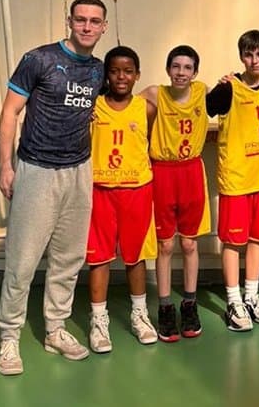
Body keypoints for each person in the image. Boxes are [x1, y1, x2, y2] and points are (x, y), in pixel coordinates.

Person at [0, 0, 107, 375]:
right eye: (81, 20)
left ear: (103, 27)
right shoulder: (38, 59)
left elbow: (110, 106)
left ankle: (55, 329)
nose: (87, 27)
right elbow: (9, 111)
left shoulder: (98, 70)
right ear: (70, 22)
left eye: (94, 21)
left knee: (68, 258)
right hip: (37, 170)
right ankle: (9, 337)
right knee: (23, 261)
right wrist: (5, 167)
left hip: (78, 171)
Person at [206, 30, 259, 332]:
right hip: (237, 179)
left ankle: (252, 295)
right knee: (233, 242)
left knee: (257, 239)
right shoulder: (230, 88)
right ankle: (233, 300)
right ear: (241, 57)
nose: (254, 60)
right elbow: (210, 106)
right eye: (249, 55)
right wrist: (219, 85)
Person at [86, 46, 159, 353]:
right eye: (115, 70)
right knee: (99, 257)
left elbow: (147, 142)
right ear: (106, 74)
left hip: (137, 190)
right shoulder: (93, 106)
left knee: (135, 255)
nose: (121, 76)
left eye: (128, 71)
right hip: (100, 189)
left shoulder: (146, 108)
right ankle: (98, 320)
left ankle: (140, 315)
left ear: (137, 75)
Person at [139, 46, 211, 342]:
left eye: (187, 67)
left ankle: (190, 304)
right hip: (163, 172)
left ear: (195, 72)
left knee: (190, 244)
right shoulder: (155, 94)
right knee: (166, 245)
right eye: (176, 66)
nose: (181, 72)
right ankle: (166, 306)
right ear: (168, 69)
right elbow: (118, 103)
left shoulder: (203, 92)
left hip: (191, 171)